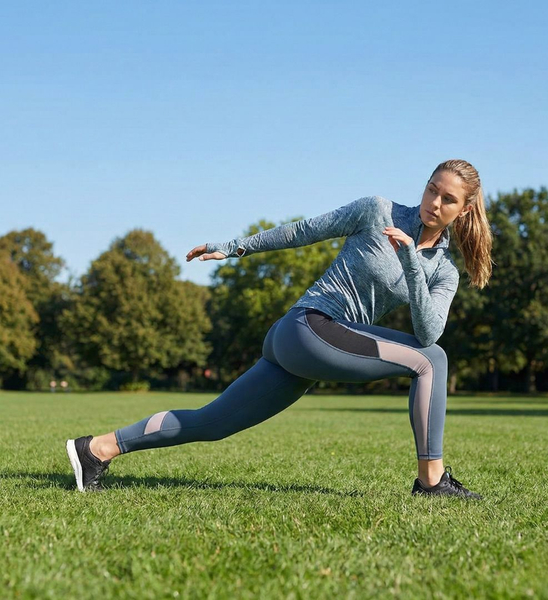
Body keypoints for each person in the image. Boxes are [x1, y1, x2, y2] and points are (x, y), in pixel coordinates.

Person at [66, 159, 492, 498]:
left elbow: (428, 330)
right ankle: (431, 482)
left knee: (213, 422)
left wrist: (412, 266)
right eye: (432, 189)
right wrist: (233, 247)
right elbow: (305, 231)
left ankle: (96, 449)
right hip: (309, 326)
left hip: (307, 353)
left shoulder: (444, 272)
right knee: (432, 363)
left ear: (464, 209)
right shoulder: (377, 211)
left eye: (448, 199)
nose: (434, 202)